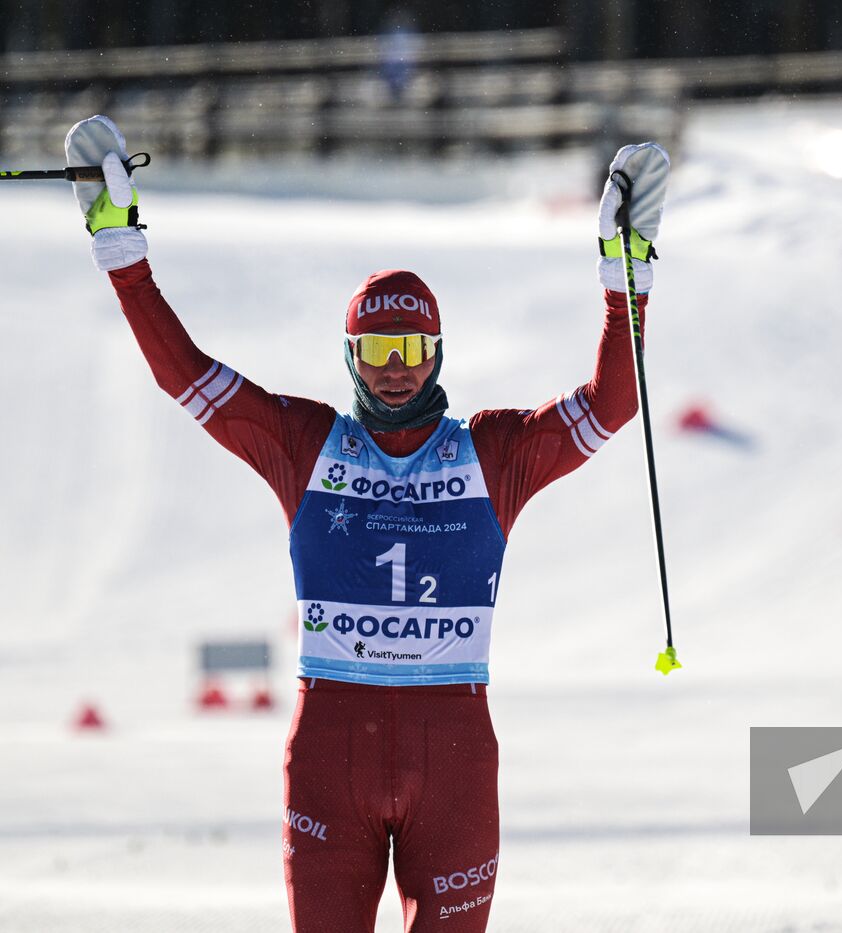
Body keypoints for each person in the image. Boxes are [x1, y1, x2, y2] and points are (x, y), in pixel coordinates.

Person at [63, 114, 669, 932]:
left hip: (452, 754)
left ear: (439, 353)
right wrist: (121, 252)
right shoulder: (307, 443)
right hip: (330, 753)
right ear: (350, 355)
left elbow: (612, 405)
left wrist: (624, 276)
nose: (396, 371)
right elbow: (190, 378)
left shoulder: (491, 453)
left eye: (413, 350)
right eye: (378, 351)